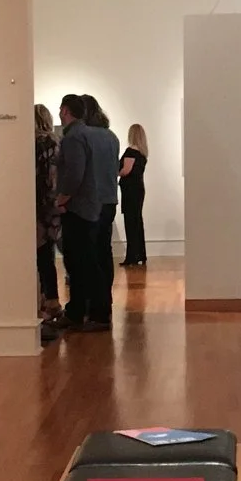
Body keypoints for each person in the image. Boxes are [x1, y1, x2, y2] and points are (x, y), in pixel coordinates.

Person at [54, 94, 120, 330]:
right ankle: (100, 306)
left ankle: (90, 309)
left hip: (86, 204)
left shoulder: (79, 137)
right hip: (108, 200)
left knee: (83, 259)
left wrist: (62, 198)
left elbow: (76, 173)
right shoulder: (110, 137)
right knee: (101, 255)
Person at [33, 104, 63, 337]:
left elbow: (38, 178)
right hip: (54, 206)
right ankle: (51, 300)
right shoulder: (56, 142)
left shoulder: (36, 144)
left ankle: (44, 301)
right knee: (48, 255)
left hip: (39, 205)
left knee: (40, 255)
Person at [118, 123, 149, 268]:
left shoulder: (130, 152)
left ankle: (132, 256)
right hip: (138, 189)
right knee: (137, 221)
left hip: (130, 191)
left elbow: (126, 171)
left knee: (130, 222)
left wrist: (115, 172)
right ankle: (140, 254)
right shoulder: (142, 154)